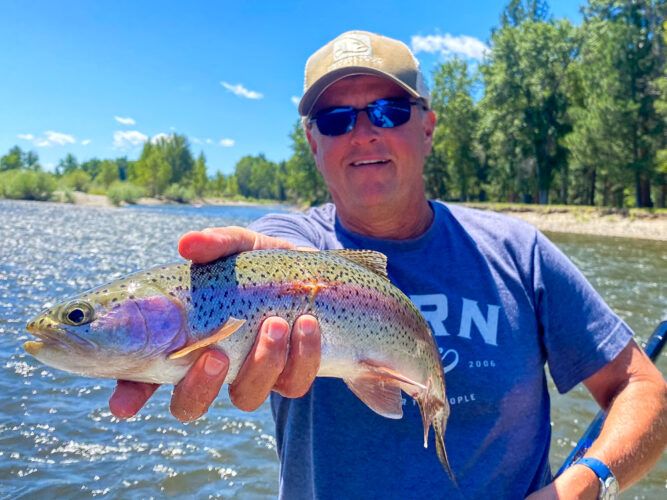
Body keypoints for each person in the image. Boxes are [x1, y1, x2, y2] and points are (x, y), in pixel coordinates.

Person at [109, 31, 667, 499]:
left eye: (388, 110)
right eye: (335, 119)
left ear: (426, 127)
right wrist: (261, 268)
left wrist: (582, 485)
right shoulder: (294, 245)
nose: (364, 131)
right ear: (311, 141)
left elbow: (642, 388)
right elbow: (268, 250)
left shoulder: (520, 254)